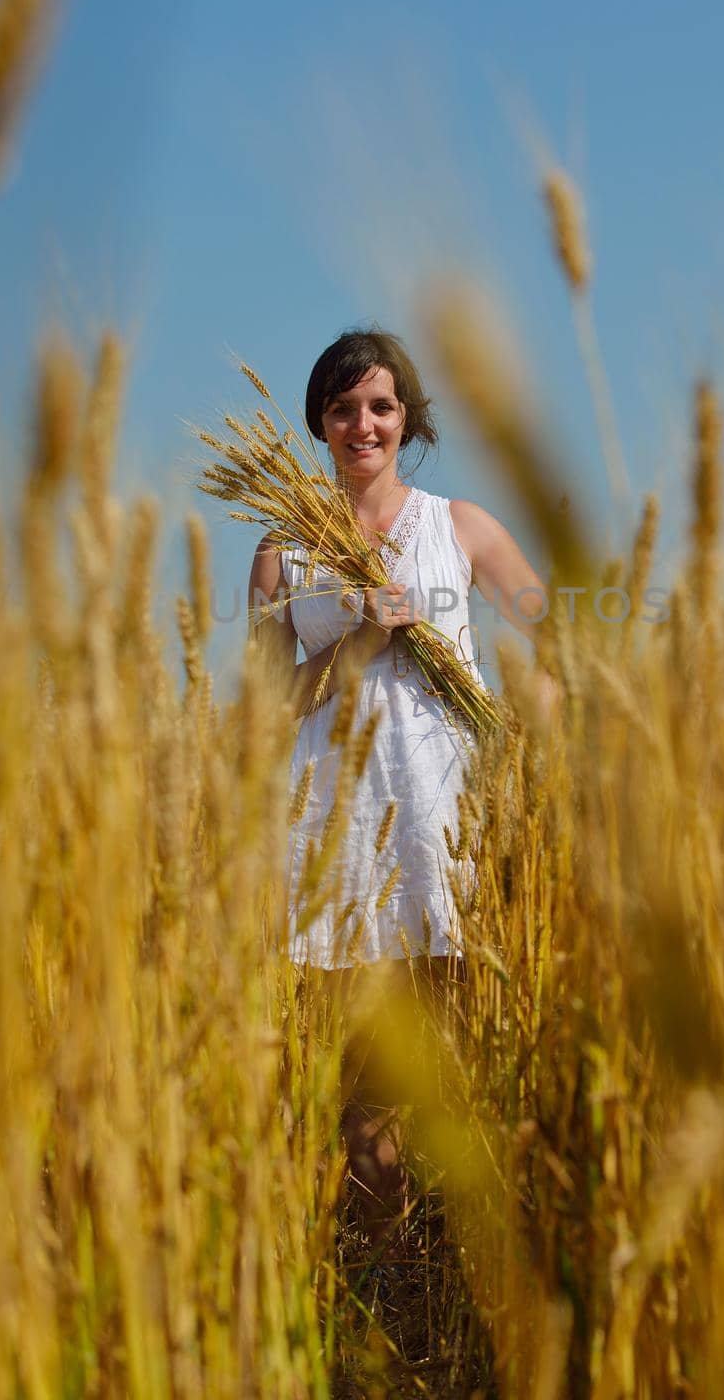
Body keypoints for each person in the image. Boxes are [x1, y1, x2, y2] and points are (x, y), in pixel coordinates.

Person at [249, 325, 552, 1258]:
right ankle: (390, 1285)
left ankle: (475, 1275)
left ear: (408, 419)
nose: (363, 424)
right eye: (343, 408)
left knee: (465, 1055)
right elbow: (264, 712)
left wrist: (531, 743)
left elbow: (556, 642)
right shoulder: (282, 550)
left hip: (445, 826)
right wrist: (358, 644)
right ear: (321, 424)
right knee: (366, 1087)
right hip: (341, 839)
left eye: (381, 406)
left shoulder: (459, 527)